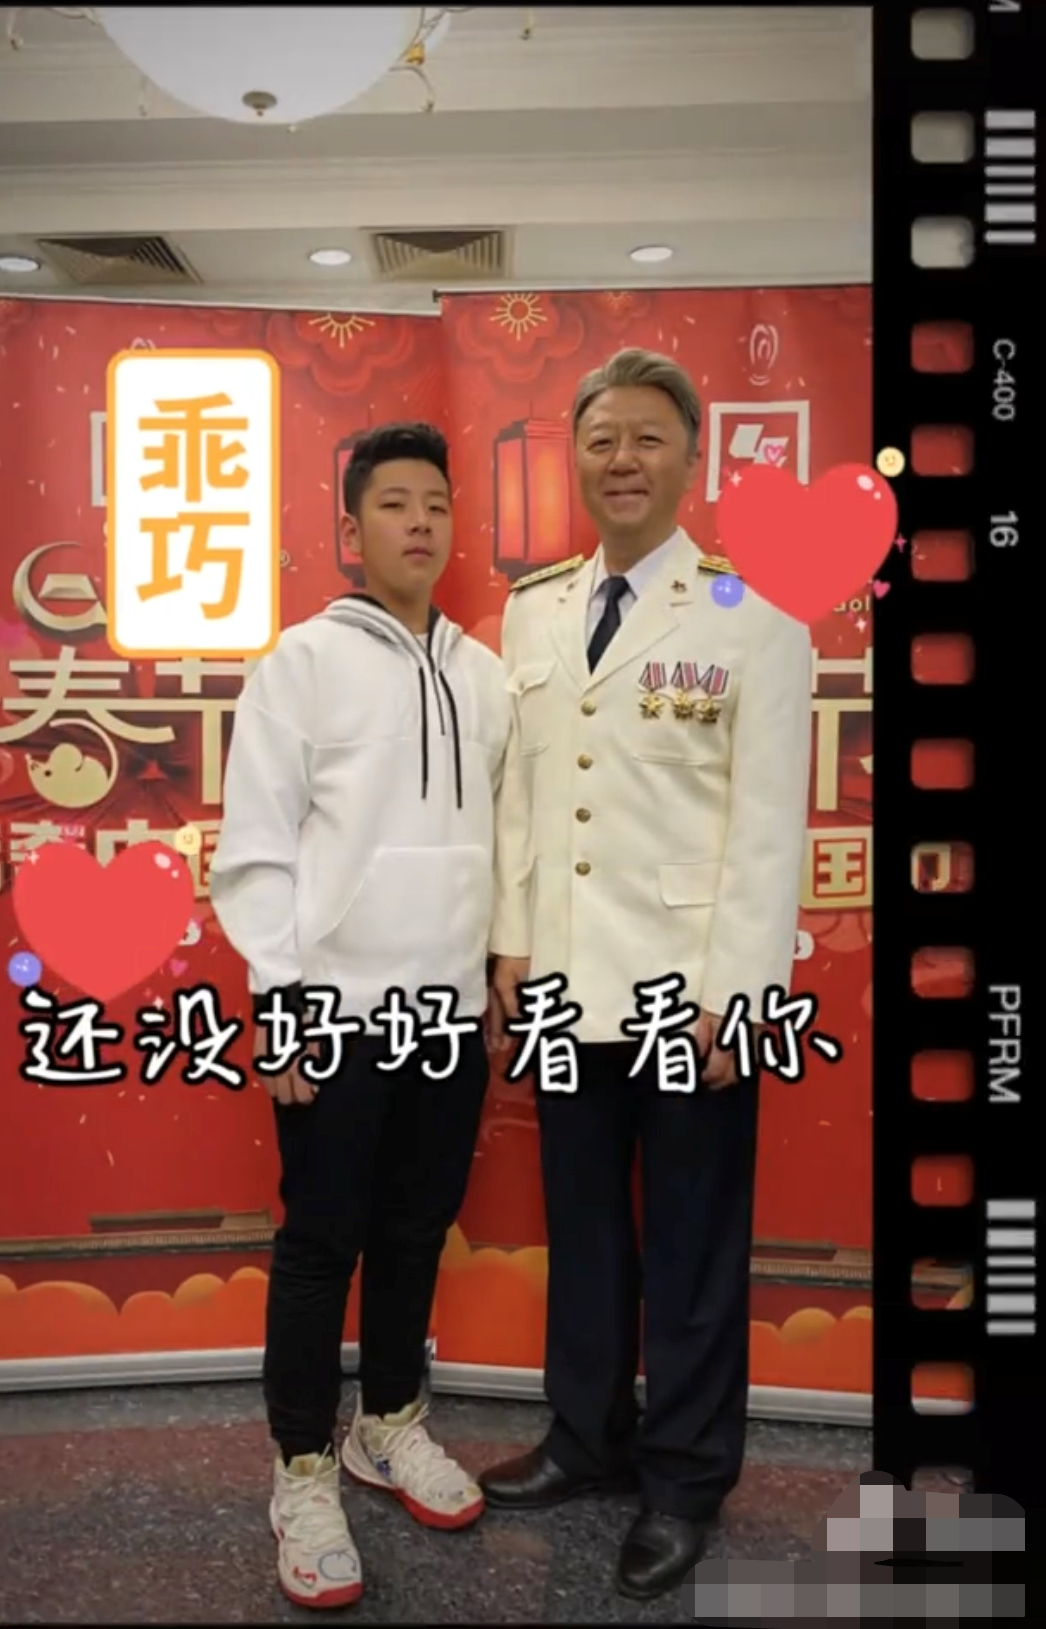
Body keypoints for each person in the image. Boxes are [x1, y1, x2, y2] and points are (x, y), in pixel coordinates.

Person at [479, 349, 813, 1600]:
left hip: (692, 991)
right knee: (584, 1232)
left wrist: (742, 998)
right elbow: (524, 801)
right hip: (566, 982)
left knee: (690, 1246)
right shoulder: (536, 610)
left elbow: (768, 826)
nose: (622, 460)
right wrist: (512, 945)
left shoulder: (753, 613)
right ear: (576, 457)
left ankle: (682, 1481)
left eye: (648, 439)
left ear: (691, 459)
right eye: (602, 439)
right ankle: (585, 1439)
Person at [210, 422, 510, 1610]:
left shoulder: (483, 677)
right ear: (350, 529)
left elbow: (505, 842)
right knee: (320, 1240)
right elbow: (256, 848)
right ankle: (301, 1467)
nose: (419, 522)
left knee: (415, 1231)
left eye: (435, 502)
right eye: (393, 504)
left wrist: (495, 972)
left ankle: (388, 1424)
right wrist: (280, 1001)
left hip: (447, 1013)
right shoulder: (300, 665)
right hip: (333, 1012)